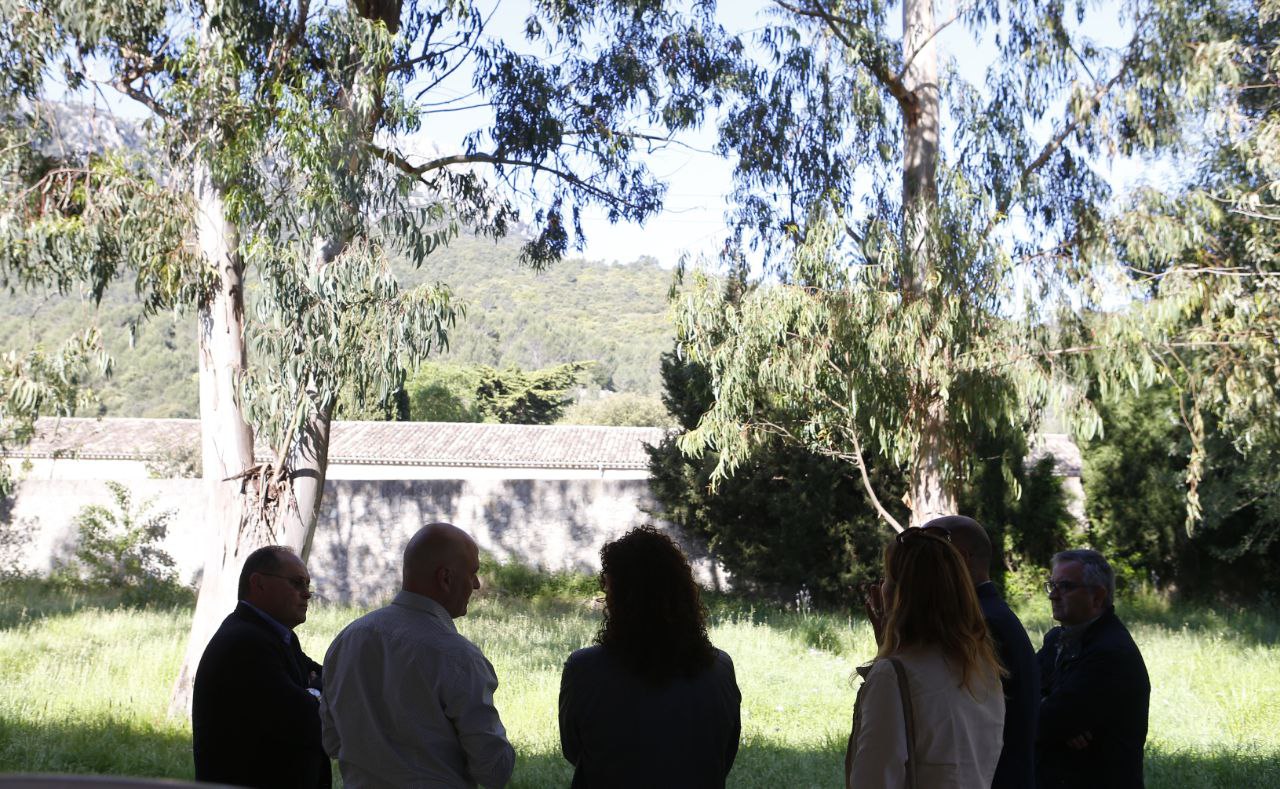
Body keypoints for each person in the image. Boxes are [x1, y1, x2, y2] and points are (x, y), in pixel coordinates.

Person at [320, 522, 514, 788]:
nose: (477, 585)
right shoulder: (457, 657)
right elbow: (493, 770)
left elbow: (331, 740)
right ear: (445, 578)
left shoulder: (347, 640)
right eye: (473, 573)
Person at [558, 526, 741, 788]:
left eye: (609, 591)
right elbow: (723, 756)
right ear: (683, 594)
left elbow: (574, 750)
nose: (606, 601)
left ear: (621, 600)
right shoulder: (720, 669)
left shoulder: (583, 669)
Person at [846, 527, 1005, 789]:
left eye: (886, 579)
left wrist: (888, 660)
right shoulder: (984, 668)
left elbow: (873, 781)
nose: (880, 587)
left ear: (900, 596)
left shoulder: (893, 675)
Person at [192, 545, 330, 788]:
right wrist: (316, 693)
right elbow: (306, 719)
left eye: (307, 585)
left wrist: (314, 690)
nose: (307, 593)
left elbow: (327, 677)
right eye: (297, 583)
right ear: (258, 583)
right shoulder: (244, 643)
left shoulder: (276, 636)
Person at [928, 515, 1038, 789]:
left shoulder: (979, 625)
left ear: (960, 558)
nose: (918, 569)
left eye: (927, 556)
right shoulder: (991, 614)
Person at [1036, 549, 1150, 789]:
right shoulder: (1057, 639)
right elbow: (1018, 688)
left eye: (1065, 586)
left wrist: (1054, 718)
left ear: (1097, 597)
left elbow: (1042, 723)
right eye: (1052, 585)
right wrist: (1056, 716)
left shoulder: (1111, 653)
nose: (1053, 596)